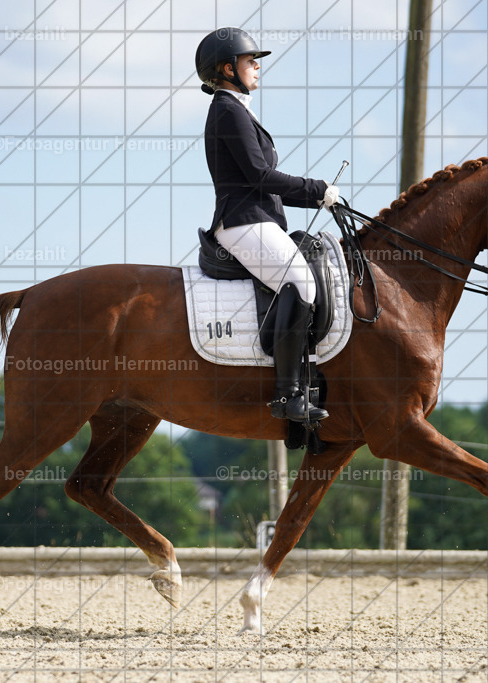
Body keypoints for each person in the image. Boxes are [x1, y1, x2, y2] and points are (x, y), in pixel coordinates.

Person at [196, 27, 339, 423]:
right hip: (242, 221)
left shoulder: (238, 108)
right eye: (249, 61)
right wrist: (316, 188)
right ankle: (287, 396)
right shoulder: (227, 109)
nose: (257, 66)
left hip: (256, 218)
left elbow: (264, 183)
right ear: (228, 69)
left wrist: (320, 198)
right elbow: (260, 176)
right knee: (301, 284)